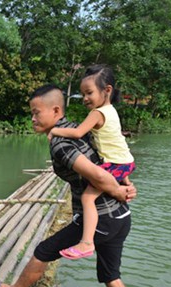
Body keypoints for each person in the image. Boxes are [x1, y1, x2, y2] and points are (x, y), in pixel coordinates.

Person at [0, 83, 139, 287]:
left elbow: (98, 175)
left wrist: (118, 190)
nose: (33, 119)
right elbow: (113, 156)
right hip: (120, 218)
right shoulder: (76, 128)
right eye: (32, 113)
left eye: (37, 113)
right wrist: (125, 188)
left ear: (55, 110)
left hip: (100, 219)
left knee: (44, 250)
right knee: (111, 276)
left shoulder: (61, 143)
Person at [47, 65, 135, 260]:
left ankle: (86, 243)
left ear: (107, 90)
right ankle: (126, 187)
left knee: (88, 198)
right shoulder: (111, 110)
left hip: (115, 164)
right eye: (83, 94)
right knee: (113, 190)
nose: (85, 98)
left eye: (89, 93)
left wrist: (54, 131)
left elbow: (78, 132)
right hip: (125, 162)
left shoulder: (97, 113)